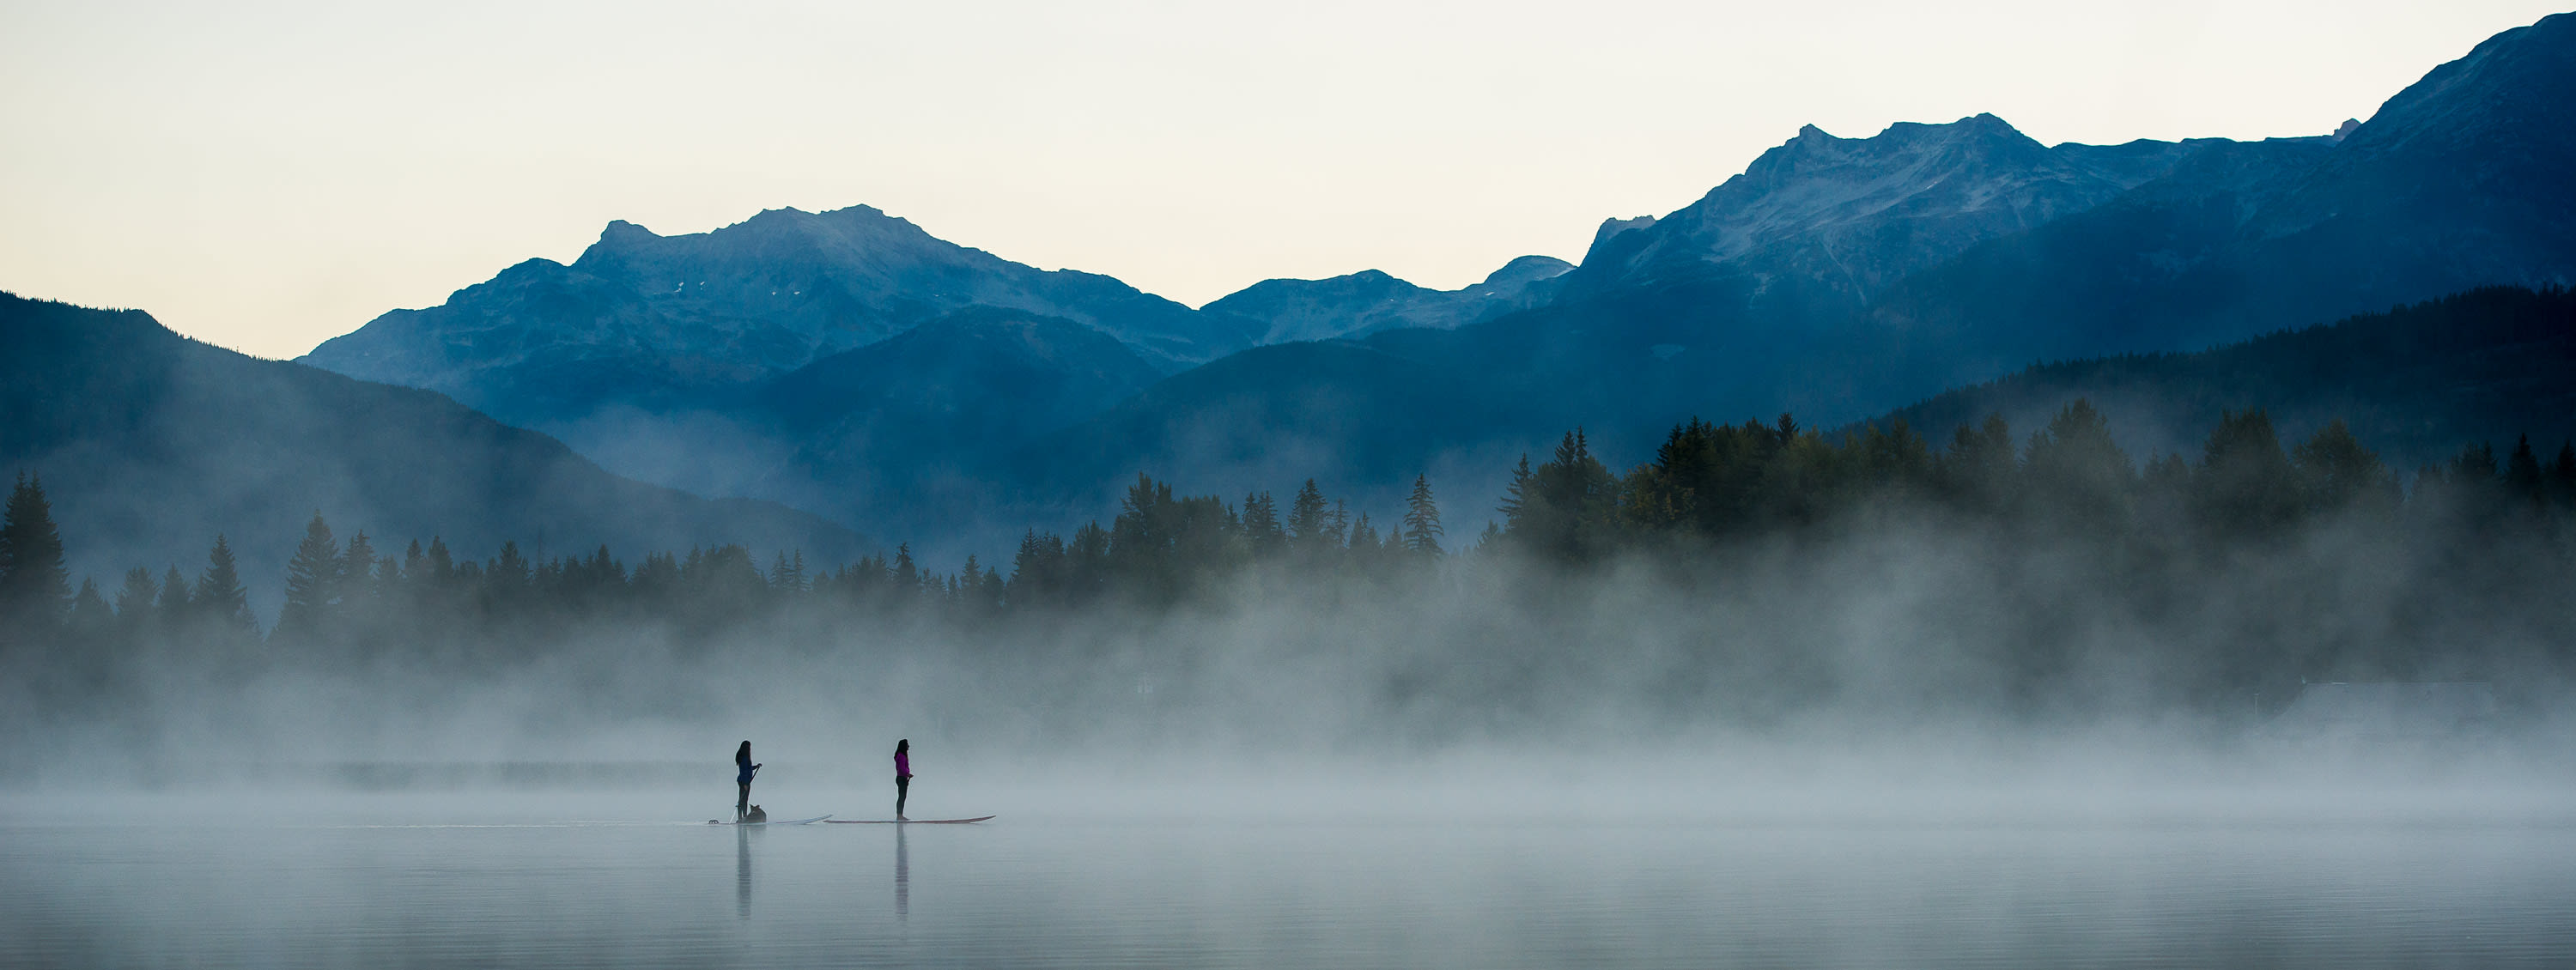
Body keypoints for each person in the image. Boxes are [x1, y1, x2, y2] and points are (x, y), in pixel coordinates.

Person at [735, 741, 762, 820]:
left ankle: (743, 817)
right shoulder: (744, 758)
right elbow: (744, 772)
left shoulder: (744, 757)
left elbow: (749, 769)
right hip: (744, 781)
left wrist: (756, 766)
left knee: (744, 799)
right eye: (749, 747)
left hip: (744, 781)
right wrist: (745, 784)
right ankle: (742, 818)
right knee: (743, 800)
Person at [893, 738, 912, 821]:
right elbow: (901, 768)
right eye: (907, 745)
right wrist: (907, 774)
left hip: (902, 778)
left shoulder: (901, 755)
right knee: (901, 797)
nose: (908, 746)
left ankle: (900, 815)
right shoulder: (901, 756)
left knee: (902, 797)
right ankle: (899, 815)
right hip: (901, 778)